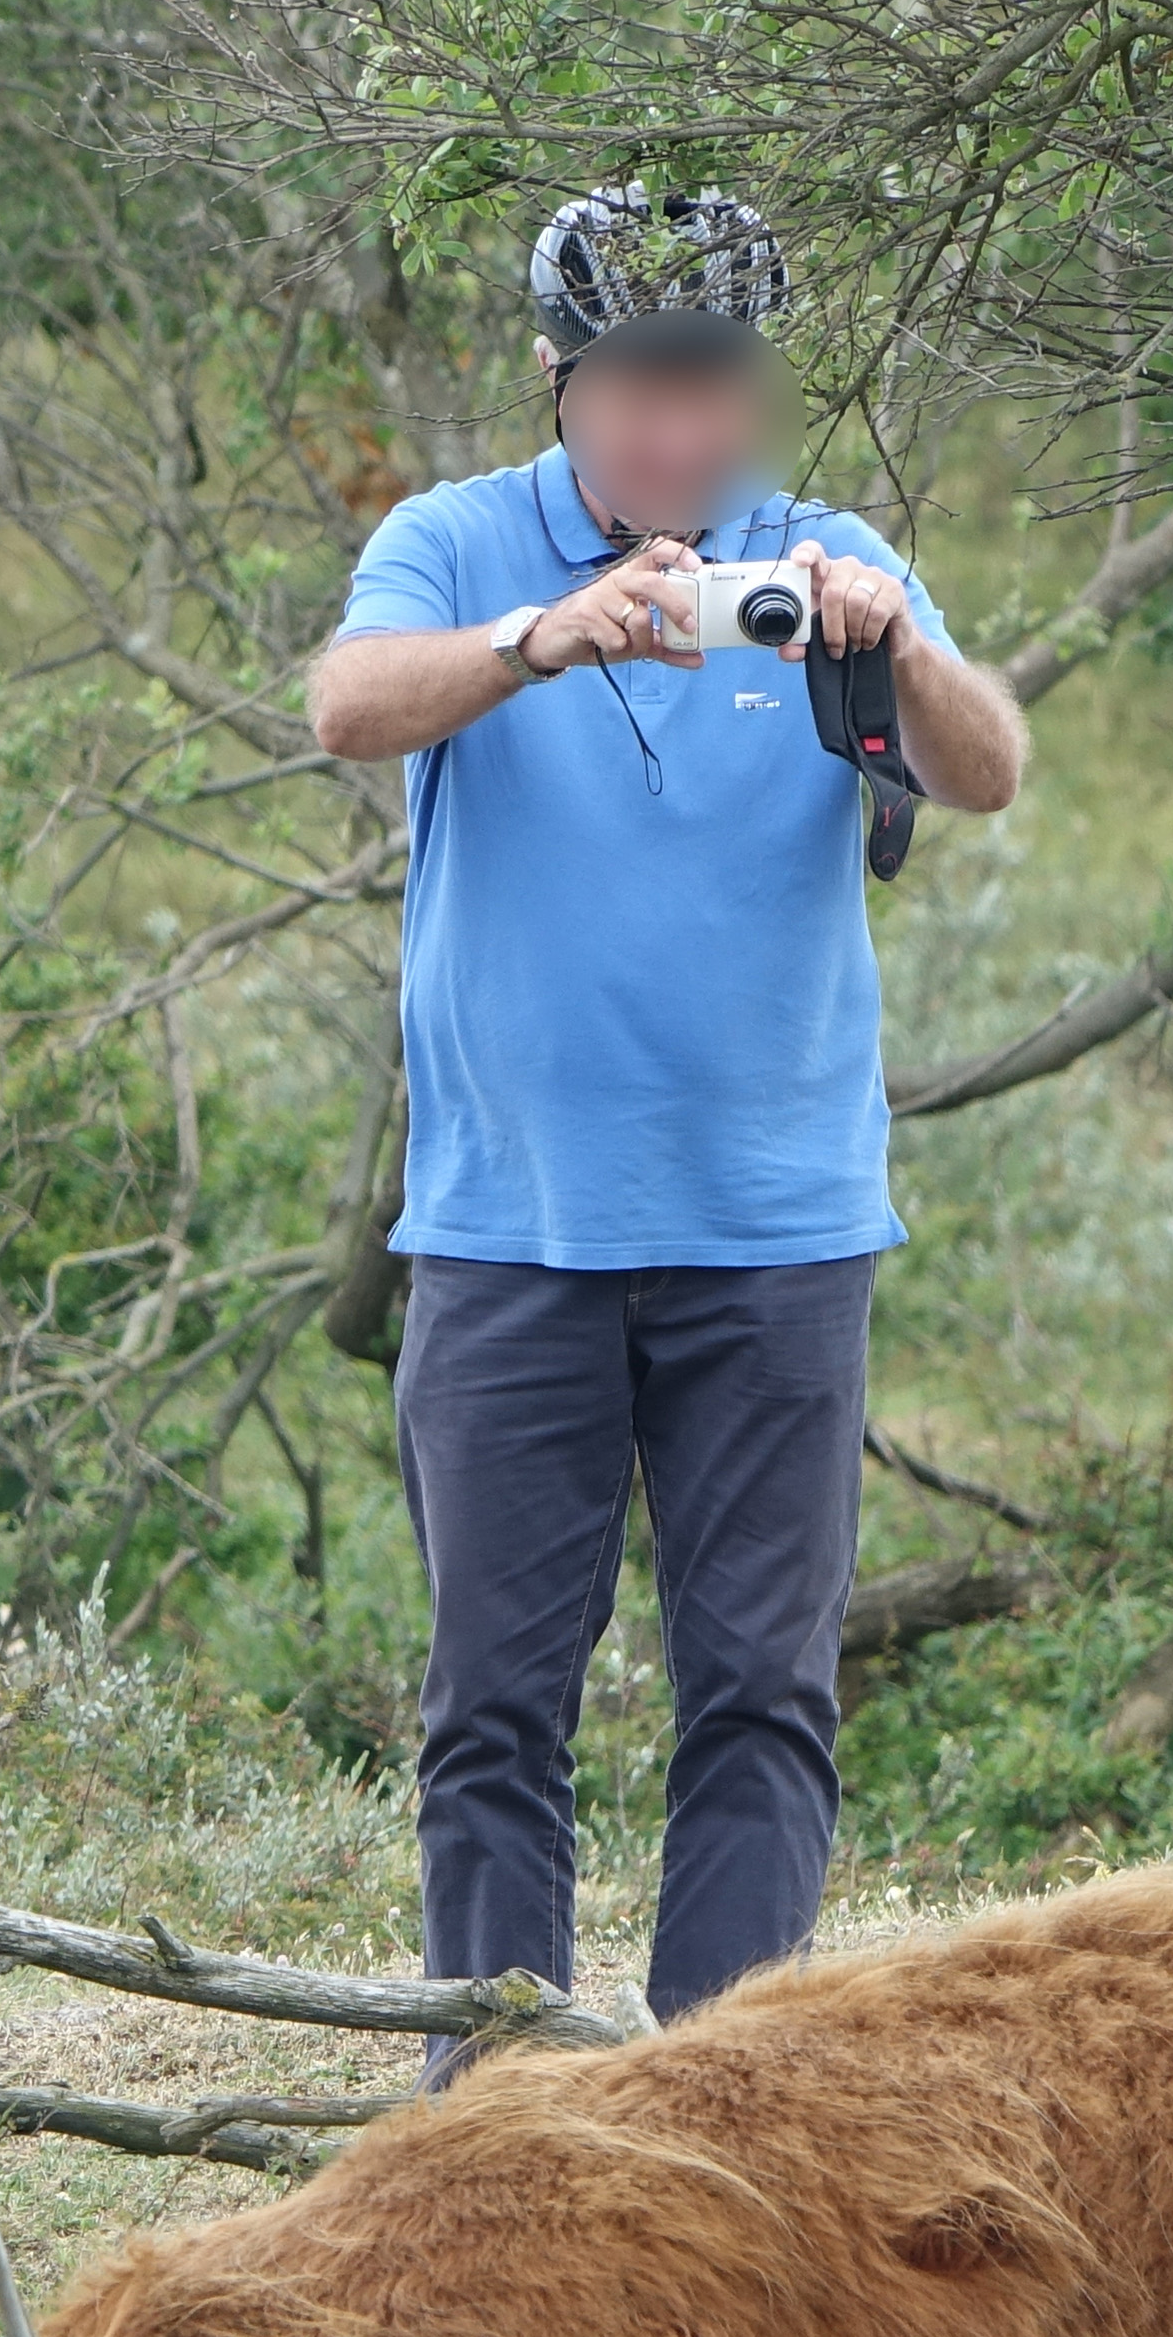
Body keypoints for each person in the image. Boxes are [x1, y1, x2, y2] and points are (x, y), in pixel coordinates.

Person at [306, 185, 1028, 2048]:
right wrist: (544, 640)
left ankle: (729, 2119)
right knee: (494, 1707)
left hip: (777, 1236)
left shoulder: (825, 550)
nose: (675, 432)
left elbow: (991, 771)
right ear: (560, 381)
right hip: (508, 1230)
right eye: (636, 387)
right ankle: (501, 2126)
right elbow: (346, 704)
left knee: (764, 1700)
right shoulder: (456, 539)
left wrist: (892, 646)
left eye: (712, 389)